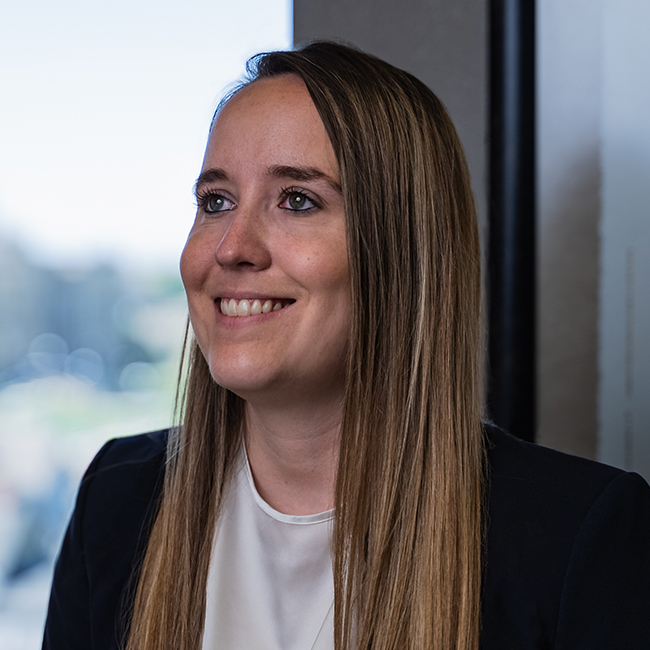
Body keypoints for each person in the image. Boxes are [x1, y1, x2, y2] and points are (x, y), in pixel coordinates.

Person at [42, 41, 650, 650]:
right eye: (216, 201)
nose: (231, 247)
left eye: (298, 201)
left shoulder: (579, 538)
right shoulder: (117, 501)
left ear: (404, 253)